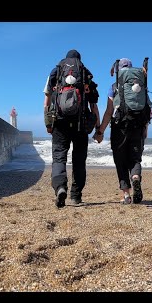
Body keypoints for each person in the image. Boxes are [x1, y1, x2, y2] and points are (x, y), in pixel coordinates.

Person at [43, 49, 100, 208]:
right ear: (79, 60)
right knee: (79, 161)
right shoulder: (86, 75)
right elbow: (94, 106)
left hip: (59, 123)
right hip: (81, 124)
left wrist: (48, 123)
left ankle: (60, 187)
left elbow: (46, 101)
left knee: (59, 157)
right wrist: (98, 129)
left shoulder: (56, 72)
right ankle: (76, 196)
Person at [94, 58, 152, 204]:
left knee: (120, 161)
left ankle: (126, 195)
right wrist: (145, 129)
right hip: (138, 126)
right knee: (135, 158)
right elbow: (148, 110)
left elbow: (109, 112)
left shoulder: (114, 87)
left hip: (119, 128)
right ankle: (135, 178)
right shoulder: (141, 86)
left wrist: (100, 131)